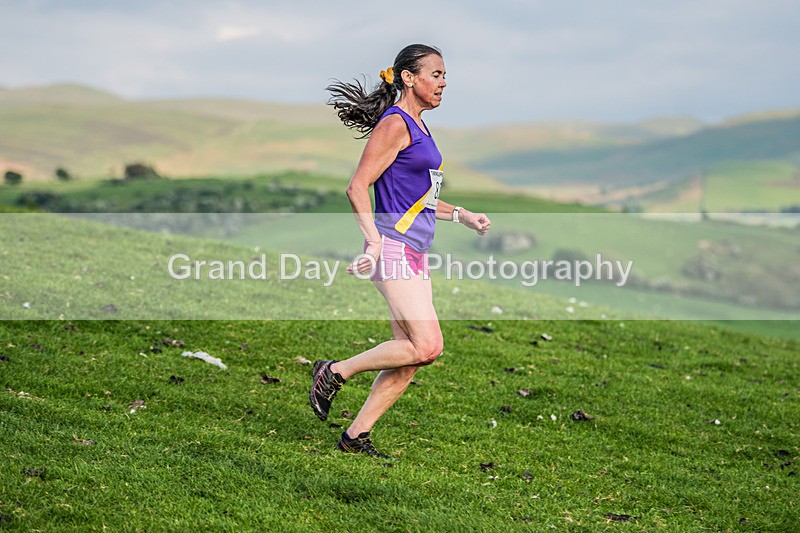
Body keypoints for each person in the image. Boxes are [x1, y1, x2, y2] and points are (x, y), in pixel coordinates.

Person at [310, 44, 491, 459]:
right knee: (427, 346)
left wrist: (461, 214)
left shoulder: (420, 127)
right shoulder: (396, 124)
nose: (443, 82)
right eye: (436, 74)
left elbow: (420, 197)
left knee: (408, 358)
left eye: (445, 76)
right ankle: (334, 372)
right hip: (392, 248)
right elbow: (357, 186)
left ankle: (355, 437)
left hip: (414, 250)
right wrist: (373, 241)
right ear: (409, 78)